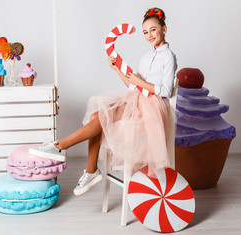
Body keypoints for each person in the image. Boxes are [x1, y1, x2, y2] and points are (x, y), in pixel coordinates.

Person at [29, 7, 177, 196]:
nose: (149, 35)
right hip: (136, 99)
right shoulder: (146, 57)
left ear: (164, 29)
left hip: (152, 107)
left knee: (102, 117)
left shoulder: (168, 57)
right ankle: (90, 170)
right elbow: (133, 86)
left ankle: (61, 146)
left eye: (153, 30)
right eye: (145, 32)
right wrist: (117, 69)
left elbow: (166, 90)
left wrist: (140, 82)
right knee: (96, 115)